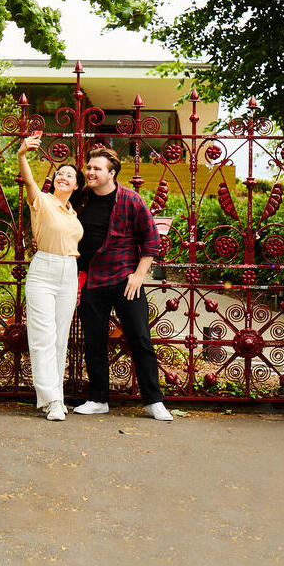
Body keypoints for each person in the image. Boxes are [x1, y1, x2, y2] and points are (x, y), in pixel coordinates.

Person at [74, 146, 173, 421]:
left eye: (97, 169)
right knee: (94, 341)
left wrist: (139, 275)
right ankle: (98, 399)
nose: (90, 172)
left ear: (112, 173)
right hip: (91, 280)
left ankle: (154, 401)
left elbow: (150, 240)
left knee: (140, 339)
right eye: (89, 168)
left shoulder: (131, 200)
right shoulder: (80, 199)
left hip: (124, 280)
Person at [18, 132, 84, 421]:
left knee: (59, 339)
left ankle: (53, 396)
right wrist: (22, 154)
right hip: (43, 270)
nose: (64, 176)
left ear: (76, 185)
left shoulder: (73, 214)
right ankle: (53, 399)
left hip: (68, 273)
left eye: (70, 175)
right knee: (42, 337)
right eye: (60, 173)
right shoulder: (42, 202)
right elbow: (30, 182)